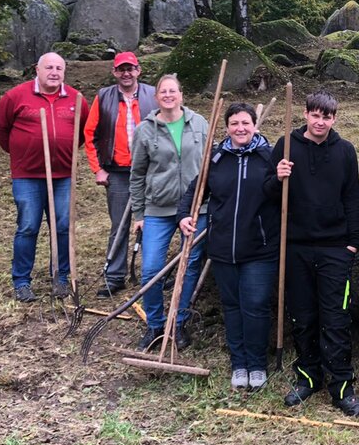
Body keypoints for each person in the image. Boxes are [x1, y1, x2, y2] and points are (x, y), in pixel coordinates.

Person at [272, 90, 359, 417]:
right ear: (306, 114)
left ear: (334, 118)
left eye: (327, 116)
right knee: (303, 316)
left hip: (335, 248)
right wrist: (278, 177)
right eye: (315, 115)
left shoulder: (345, 151)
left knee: (335, 318)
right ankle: (307, 377)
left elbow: (353, 197)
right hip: (296, 247)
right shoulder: (286, 146)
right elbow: (268, 193)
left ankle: (341, 386)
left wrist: (353, 242)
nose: (320, 121)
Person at [179, 102, 280, 390]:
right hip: (222, 247)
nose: (240, 128)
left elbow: (283, 194)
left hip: (259, 248)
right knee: (232, 307)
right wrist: (184, 216)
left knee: (256, 306)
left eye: (246, 123)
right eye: (234, 123)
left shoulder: (269, 157)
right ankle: (239, 364)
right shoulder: (216, 158)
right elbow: (195, 191)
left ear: (255, 125)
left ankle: (257, 364)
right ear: (226, 128)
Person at [0, 52, 89, 302]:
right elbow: (0, 130)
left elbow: (84, 132)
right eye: (49, 67)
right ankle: (22, 281)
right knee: (28, 226)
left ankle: (61, 277)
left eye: (59, 68)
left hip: (63, 176)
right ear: (37, 69)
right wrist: (21, 153)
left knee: (63, 226)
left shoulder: (76, 99)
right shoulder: (15, 96)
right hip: (28, 175)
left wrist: (66, 151)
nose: (54, 72)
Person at [129, 74, 208, 351]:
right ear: (157, 97)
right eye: (163, 91)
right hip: (158, 209)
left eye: (172, 90)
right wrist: (139, 213)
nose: (168, 95)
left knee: (188, 266)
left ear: (181, 94)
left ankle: (179, 322)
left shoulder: (198, 123)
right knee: (151, 268)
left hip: (197, 207)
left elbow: (211, 164)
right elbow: (137, 174)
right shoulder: (145, 130)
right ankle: (155, 324)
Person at [83, 52, 156, 298]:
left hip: (149, 171)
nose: (126, 73)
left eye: (130, 68)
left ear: (138, 70)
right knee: (120, 224)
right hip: (117, 172)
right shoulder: (103, 97)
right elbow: (89, 134)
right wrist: (98, 168)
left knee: (152, 222)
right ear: (114, 72)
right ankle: (115, 277)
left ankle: (153, 274)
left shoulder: (153, 95)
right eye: (121, 69)